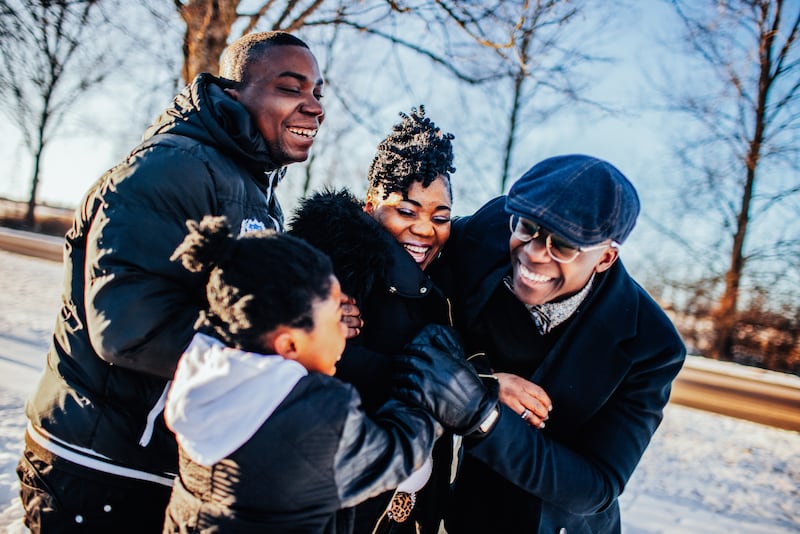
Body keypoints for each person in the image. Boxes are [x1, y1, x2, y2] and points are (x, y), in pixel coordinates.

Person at [16, 31, 360, 533]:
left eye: (318, 93)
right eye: (292, 88)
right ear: (234, 92)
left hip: (166, 464)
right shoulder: (169, 168)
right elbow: (128, 328)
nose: (314, 107)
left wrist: (315, 316)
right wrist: (287, 349)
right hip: (96, 463)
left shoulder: (256, 191)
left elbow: (242, 306)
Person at [161, 215, 498, 533]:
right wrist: (429, 388)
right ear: (288, 344)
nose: (347, 327)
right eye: (336, 316)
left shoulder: (200, 376)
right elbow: (397, 455)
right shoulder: (316, 416)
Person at [439, 154, 687, 533]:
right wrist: (479, 377)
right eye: (529, 228)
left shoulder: (651, 347)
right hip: (457, 506)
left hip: (550, 522)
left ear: (605, 257)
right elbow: (414, 280)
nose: (535, 252)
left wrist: (483, 415)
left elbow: (597, 485)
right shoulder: (488, 232)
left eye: (564, 246)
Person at [288, 106, 456, 533]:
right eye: (407, 211)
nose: (425, 230)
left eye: (440, 217)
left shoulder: (438, 291)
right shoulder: (327, 278)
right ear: (370, 208)